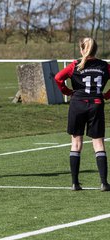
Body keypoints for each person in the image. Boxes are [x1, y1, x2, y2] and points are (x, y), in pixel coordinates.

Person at [55, 37, 110, 191]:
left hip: (77, 104)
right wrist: (107, 95)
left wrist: (67, 92)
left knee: (76, 143)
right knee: (98, 143)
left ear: (81, 49)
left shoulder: (75, 65)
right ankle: (104, 183)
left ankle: (75, 183)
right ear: (96, 50)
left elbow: (58, 78)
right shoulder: (104, 66)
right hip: (96, 104)